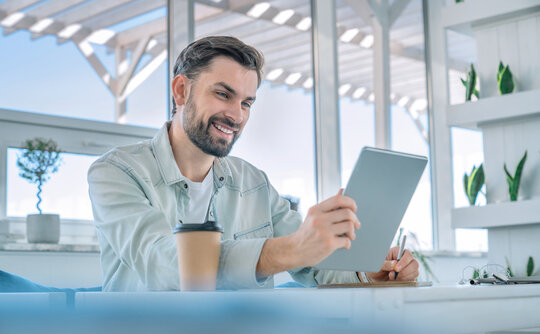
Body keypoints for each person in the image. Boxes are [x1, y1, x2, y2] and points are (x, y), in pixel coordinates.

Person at [88, 36, 419, 291]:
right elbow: (164, 263)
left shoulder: (254, 183)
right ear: (181, 91)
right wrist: (290, 249)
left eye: (247, 102)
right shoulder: (117, 172)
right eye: (223, 94)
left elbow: (314, 265)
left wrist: (369, 272)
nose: (236, 115)